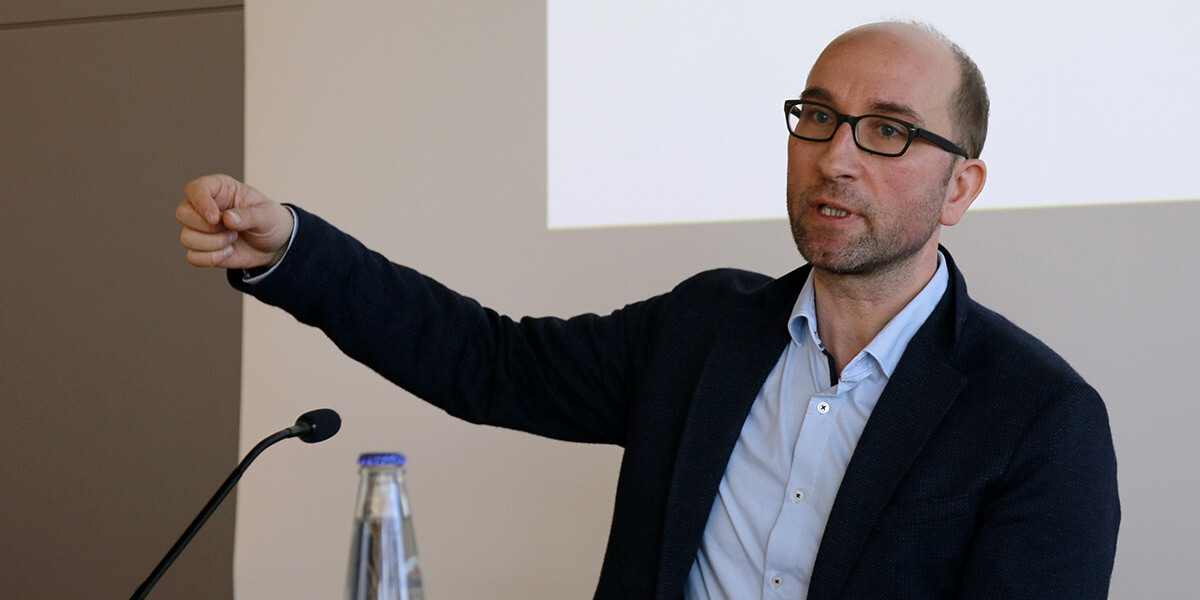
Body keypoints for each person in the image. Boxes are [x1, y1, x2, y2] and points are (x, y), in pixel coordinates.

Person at [177, 21, 1119, 600]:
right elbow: (486, 362)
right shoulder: (706, 329)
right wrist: (294, 251)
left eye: (889, 131)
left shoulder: (1038, 418)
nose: (837, 157)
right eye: (819, 118)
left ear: (962, 187)